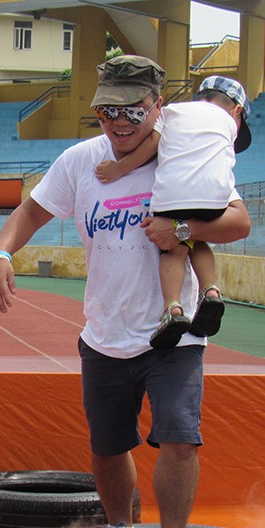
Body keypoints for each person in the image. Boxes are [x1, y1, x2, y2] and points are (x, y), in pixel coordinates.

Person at [0, 55, 250, 528]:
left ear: (157, 106)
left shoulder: (184, 150)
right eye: (107, 110)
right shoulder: (80, 161)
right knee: (109, 446)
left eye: (132, 109)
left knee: (180, 440)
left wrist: (179, 227)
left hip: (173, 334)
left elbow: (237, 222)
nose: (119, 122)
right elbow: (30, 213)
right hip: (105, 331)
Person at [94, 75, 252, 349]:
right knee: (197, 240)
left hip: (173, 194)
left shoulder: (173, 112)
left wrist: (119, 169)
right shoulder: (228, 123)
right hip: (215, 195)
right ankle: (210, 290)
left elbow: (152, 145)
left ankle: (172, 309)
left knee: (174, 249)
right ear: (237, 110)